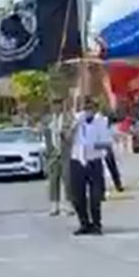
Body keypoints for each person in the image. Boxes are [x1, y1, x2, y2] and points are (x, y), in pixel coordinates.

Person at [69, 96, 111, 235]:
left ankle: (97, 224)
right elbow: (66, 138)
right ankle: (84, 223)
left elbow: (106, 144)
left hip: (94, 160)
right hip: (77, 160)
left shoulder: (101, 121)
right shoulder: (76, 120)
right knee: (77, 196)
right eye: (85, 108)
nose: (88, 111)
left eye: (91, 108)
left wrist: (91, 146)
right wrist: (74, 126)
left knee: (95, 196)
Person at [44, 96, 71, 216]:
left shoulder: (68, 118)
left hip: (65, 152)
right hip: (53, 153)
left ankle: (69, 205)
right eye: (54, 105)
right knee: (53, 180)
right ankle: (54, 205)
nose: (56, 107)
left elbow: (72, 133)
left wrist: (64, 133)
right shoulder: (48, 120)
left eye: (58, 104)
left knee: (67, 180)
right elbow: (44, 136)